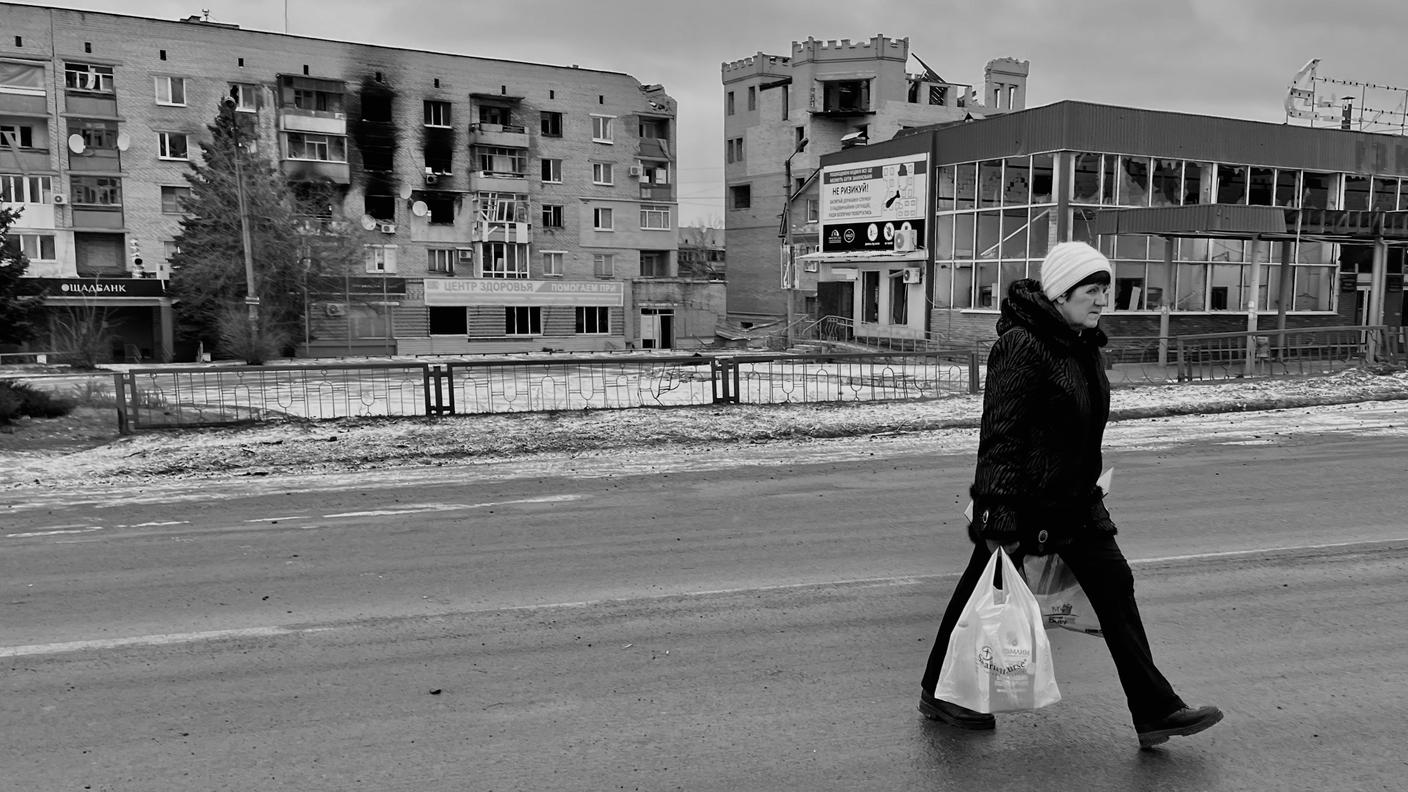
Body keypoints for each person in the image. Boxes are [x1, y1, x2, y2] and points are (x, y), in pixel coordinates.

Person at [917, 242, 1222, 749]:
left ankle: (1156, 710)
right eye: (1091, 289)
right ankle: (939, 693)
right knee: (980, 592)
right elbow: (1001, 434)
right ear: (1060, 293)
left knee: (1115, 589)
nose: (1103, 299)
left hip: (1078, 505)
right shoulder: (1023, 345)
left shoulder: (1082, 346)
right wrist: (998, 515)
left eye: (1106, 289)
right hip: (1027, 506)